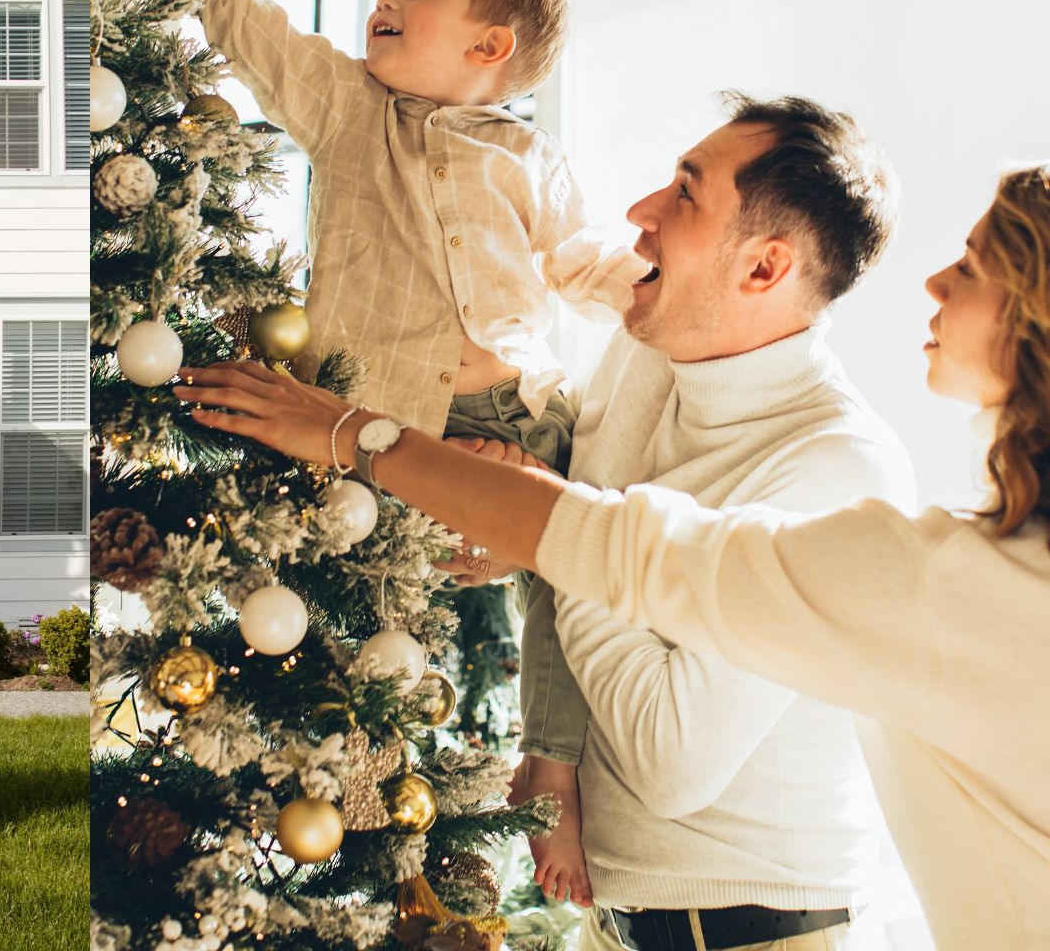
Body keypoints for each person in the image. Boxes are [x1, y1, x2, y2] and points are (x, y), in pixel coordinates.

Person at [178, 163, 1050, 951]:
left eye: (972, 267)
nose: (935, 279)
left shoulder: (929, 558)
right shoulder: (655, 364)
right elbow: (597, 530)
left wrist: (348, 434)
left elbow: (604, 552)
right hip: (626, 918)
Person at [93, 0, 646, 894]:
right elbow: (238, 12)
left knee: (577, 589)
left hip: (522, 411)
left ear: (490, 44)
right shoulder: (351, 110)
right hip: (386, 424)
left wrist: (649, 287)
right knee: (369, 627)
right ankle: (367, 831)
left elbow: (580, 259)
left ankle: (557, 766)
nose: (383, 1)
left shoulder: (524, 154)